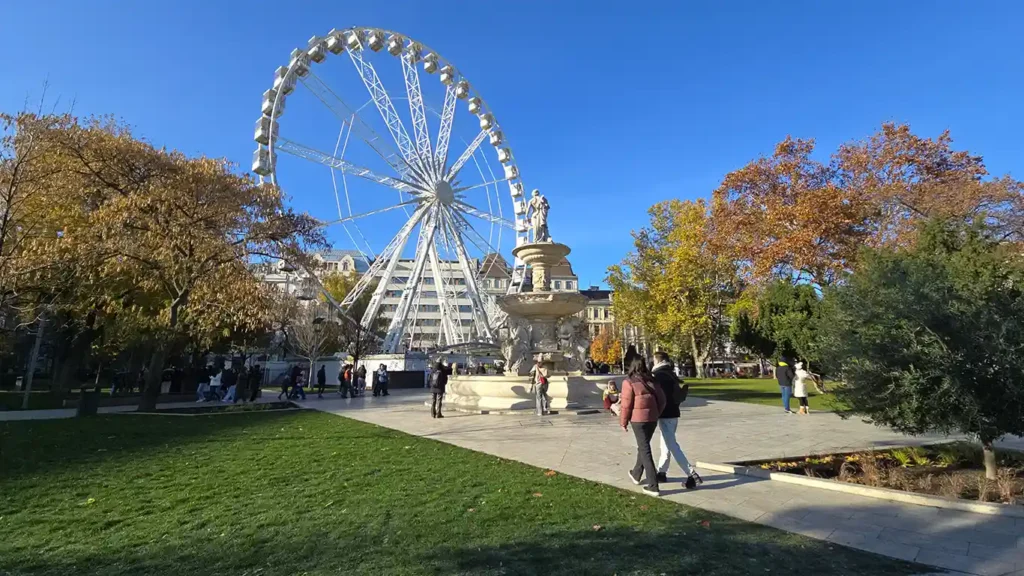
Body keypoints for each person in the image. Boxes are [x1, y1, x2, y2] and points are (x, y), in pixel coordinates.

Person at [651, 352, 701, 490]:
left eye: (653, 360)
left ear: (657, 361)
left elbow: (660, 396)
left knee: (672, 445)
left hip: (665, 414)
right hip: (673, 413)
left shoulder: (659, 375)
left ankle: (691, 474)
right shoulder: (670, 373)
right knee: (666, 443)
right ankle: (661, 472)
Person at [619, 356, 667, 497]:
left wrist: (623, 422)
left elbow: (626, 405)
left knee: (645, 450)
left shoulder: (629, 382)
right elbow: (662, 400)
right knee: (644, 446)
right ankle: (636, 473)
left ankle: (653, 485)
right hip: (652, 419)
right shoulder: (652, 380)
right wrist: (656, 413)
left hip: (638, 420)